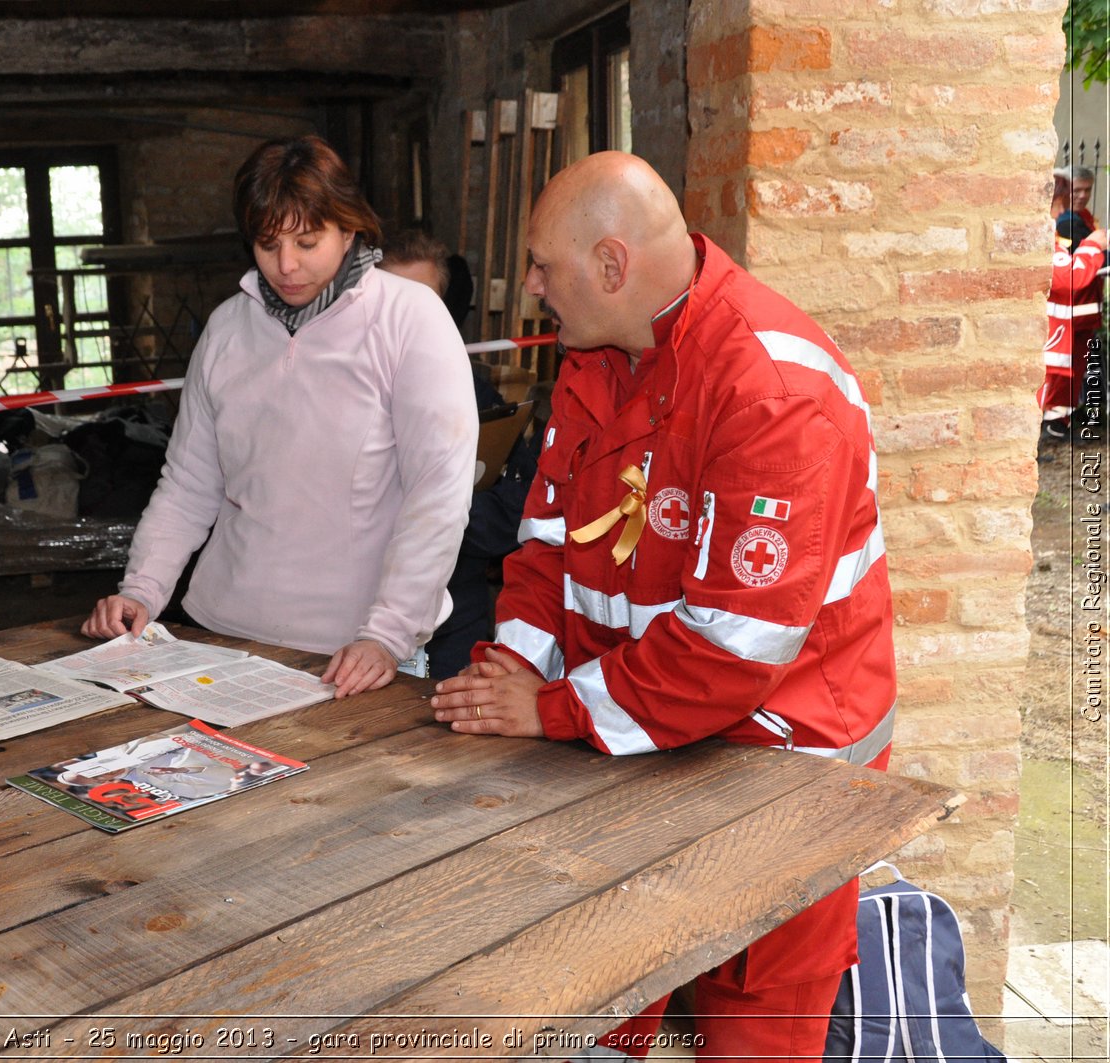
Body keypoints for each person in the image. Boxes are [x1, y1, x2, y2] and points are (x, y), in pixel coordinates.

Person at [430, 151, 896, 1061]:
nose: (528, 286)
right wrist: (516, 667)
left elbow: (731, 650)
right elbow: (547, 542)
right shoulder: (597, 352)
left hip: (783, 768)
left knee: (754, 1026)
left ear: (611, 267)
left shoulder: (773, 389)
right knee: (594, 996)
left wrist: (554, 710)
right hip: (629, 740)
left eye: (542, 266)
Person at [83, 136, 477, 698]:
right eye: (267, 245)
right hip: (216, 633)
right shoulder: (227, 329)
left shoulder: (410, 320)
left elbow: (437, 493)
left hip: (350, 653)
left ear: (349, 228)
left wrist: (388, 634)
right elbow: (190, 484)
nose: (286, 266)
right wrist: (141, 591)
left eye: (308, 242)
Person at [377, 228, 536, 678]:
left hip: (452, 634)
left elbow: (517, 516)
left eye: (425, 303)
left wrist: (429, 511)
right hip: (350, 632)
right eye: (396, 302)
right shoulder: (335, 399)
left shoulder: (480, 399)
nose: (411, 318)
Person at [1040, 224, 1108, 441]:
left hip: (1061, 331)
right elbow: (1069, 277)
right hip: (1053, 334)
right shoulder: (1045, 238)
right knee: (1041, 389)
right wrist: (1093, 245)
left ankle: (1053, 426)